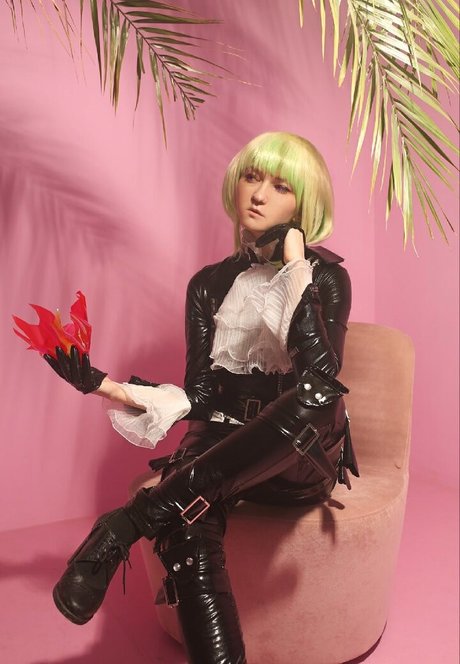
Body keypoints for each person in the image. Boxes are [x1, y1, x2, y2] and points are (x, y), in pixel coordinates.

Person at [44, 131, 358, 664]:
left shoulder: (326, 278)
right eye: (251, 178)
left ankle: (128, 521)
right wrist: (106, 386)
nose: (259, 194)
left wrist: (294, 269)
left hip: (298, 458)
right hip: (222, 447)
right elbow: (200, 395)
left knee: (317, 394)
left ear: (304, 205)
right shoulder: (208, 285)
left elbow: (322, 375)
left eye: (281, 186)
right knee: (187, 520)